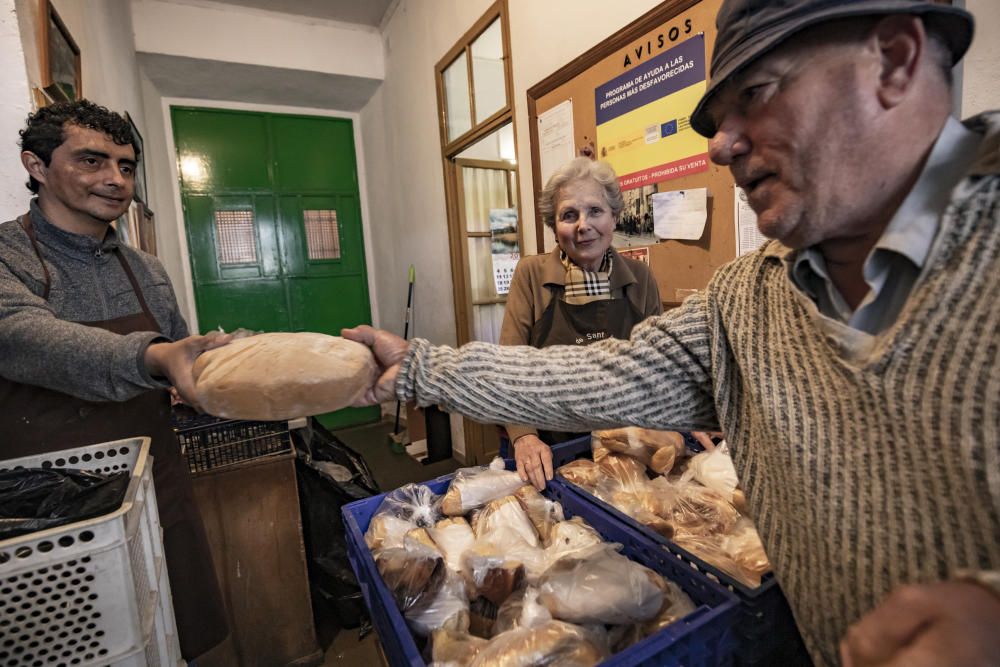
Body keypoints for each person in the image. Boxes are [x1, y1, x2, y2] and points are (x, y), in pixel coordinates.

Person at [344, 1, 1000, 664]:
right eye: (717, 121)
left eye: (756, 93)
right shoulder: (746, 300)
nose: (719, 145)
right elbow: (603, 375)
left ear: (893, 61)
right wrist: (423, 368)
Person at [0, 100, 229, 661]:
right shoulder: (6, 256)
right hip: (51, 515)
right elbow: (22, 335)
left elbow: (175, 354)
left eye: (126, 167)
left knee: (169, 633)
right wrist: (152, 356)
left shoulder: (147, 270)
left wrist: (223, 361)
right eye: (91, 161)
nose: (115, 180)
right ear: (36, 165)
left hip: (156, 486)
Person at [501, 157, 662, 490]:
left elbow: (660, 366)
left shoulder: (641, 278)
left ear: (614, 217)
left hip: (624, 445)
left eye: (595, 211)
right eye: (569, 215)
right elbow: (510, 369)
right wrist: (524, 436)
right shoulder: (531, 275)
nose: (583, 225)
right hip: (551, 447)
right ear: (555, 226)